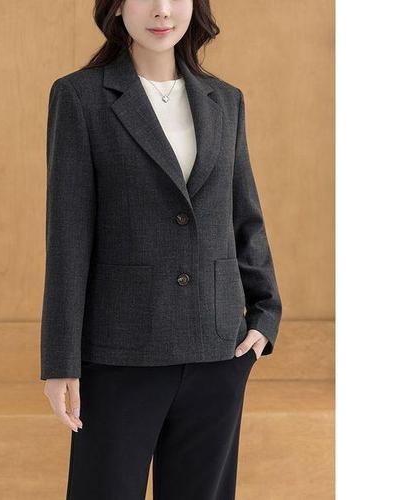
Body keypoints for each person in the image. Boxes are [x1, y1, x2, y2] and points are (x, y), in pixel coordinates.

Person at [40, 1, 282, 498]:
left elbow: (244, 215)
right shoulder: (80, 97)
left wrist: (265, 316)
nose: (162, 10)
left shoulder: (225, 100)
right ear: (117, 7)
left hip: (218, 350)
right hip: (120, 351)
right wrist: (60, 359)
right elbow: (67, 234)